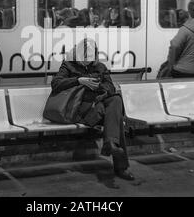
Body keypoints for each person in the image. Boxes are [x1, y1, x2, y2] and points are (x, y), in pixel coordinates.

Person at [51, 38, 135, 180]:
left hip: (98, 109)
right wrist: (79, 81)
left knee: (115, 100)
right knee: (116, 116)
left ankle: (111, 144)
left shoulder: (100, 67)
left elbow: (111, 88)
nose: (86, 61)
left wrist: (98, 87)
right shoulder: (68, 66)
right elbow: (56, 83)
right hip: (81, 112)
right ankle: (119, 164)